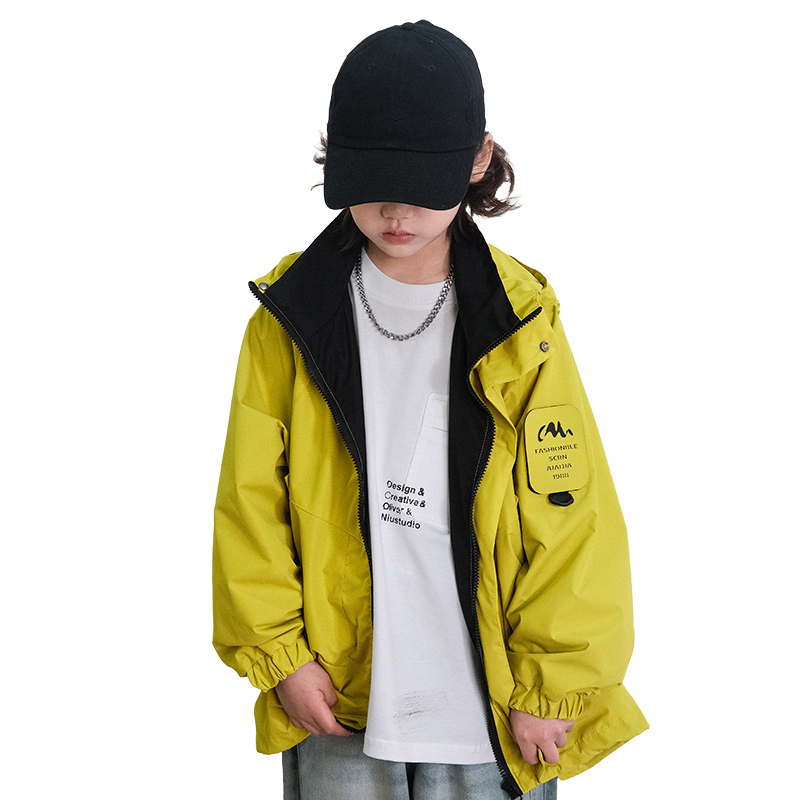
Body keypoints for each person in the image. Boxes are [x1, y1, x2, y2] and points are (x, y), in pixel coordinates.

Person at [212, 20, 648, 800]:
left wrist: (553, 683)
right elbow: (250, 505)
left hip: (492, 701)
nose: (395, 209)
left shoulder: (521, 324)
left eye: (421, 181)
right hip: (338, 690)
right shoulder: (292, 318)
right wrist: (281, 656)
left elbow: (570, 512)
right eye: (371, 181)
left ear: (478, 160)